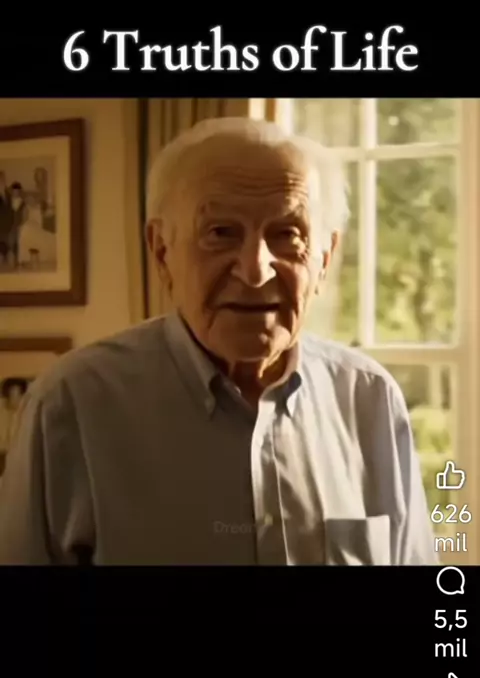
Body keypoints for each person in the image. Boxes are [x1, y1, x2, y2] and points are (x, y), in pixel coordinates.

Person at [0, 117, 437, 565]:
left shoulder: (370, 399)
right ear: (162, 252)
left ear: (324, 260)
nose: (255, 271)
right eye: (221, 233)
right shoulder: (71, 406)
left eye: (287, 235)